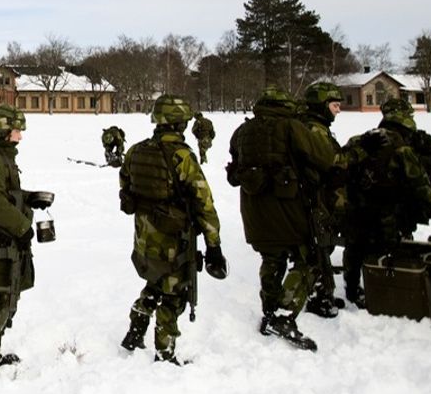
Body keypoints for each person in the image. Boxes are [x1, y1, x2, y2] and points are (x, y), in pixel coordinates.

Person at [119, 95, 225, 364]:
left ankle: (134, 331)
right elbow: (204, 202)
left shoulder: (136, 150)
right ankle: (164, 354)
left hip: (145, 236)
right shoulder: (182, 156)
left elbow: (125, 190)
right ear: (179, 123)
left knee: (154, 281)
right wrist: (214, 244)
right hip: (174, 238)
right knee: (173, 295)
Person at [228, 86, 334, 351]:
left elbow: (234, 167)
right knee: (308, 260)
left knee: (271, 258)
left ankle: (270, 309)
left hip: (254, 208)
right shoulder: (291, 127)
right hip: (289, 206)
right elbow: (323, 157)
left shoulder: (242, 132)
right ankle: (284, 315)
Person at [0, 104, 51, 381]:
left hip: (0, 237)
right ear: (4, 131)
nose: (20, 136)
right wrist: (22, 226)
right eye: (16, 131)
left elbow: (3, 193)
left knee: (6, 296)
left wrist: (29, 198)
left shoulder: (0, 155)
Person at [340, 98, 431, 308]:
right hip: (389, 212)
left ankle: (352, 289)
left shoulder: (361, 140)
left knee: (354, 248)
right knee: (392, 250)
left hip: (357, 208)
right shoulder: (403, 148)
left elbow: (339, 165)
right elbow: (419, 183)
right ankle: (390, 290)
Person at [298, 83, 347, 318]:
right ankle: (319, 295)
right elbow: (328, 161)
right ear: (321, 105)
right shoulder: (315, 128)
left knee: (321, 245)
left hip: (316, 193)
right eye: (335, 105)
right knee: (319, 245)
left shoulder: (315, 126)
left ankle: (321, 292)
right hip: (315, 196)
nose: (338, 110)